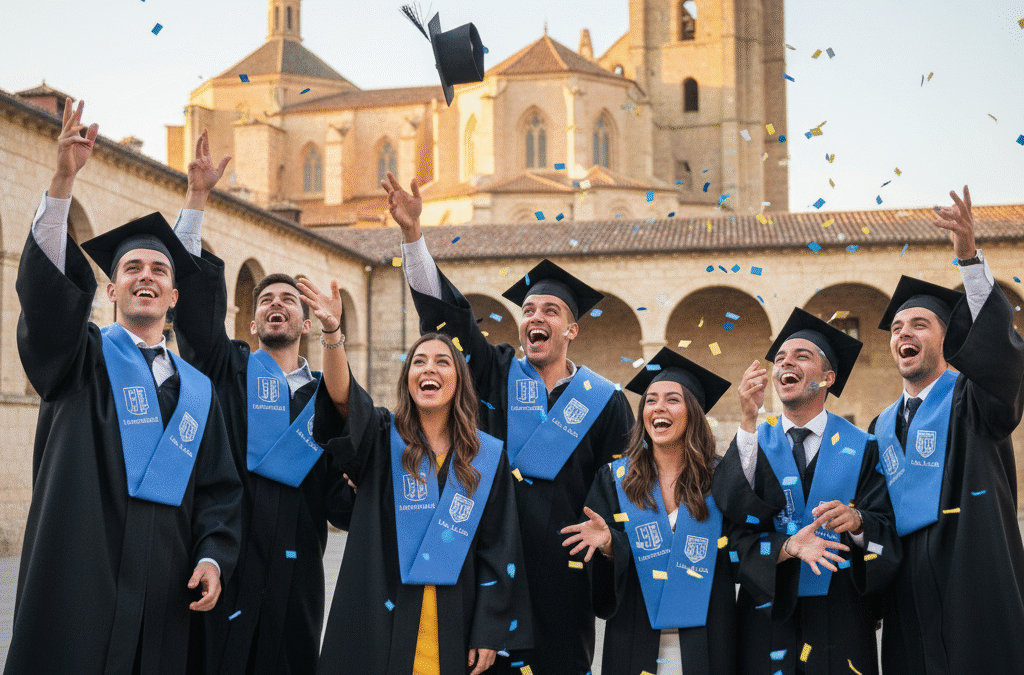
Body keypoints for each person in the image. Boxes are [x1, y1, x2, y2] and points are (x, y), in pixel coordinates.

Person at [4, 98, 242, 675]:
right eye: (132, 269)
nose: (146, 278)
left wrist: (212, 557)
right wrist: (63, 178)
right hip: (79, 576)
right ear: (110, 292)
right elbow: (47, 298)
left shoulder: (198, 393)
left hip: (163, 589)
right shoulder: (81, 358)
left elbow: (219, 491)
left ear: (174, 298)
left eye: (160, 272)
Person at [383, 172, 633, 675]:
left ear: (572, 329)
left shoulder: (605, 403)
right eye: (529, 309)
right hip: (491, 563)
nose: (535, 317)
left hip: (566, 574)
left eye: (551, 310)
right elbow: (448, 319)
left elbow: (625, 487)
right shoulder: (495, 371)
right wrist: (413, 236)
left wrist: (611, 542)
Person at [169, 131, 355, 675]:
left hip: (296, 567)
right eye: (266, 301)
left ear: (303, 321)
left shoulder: (328, 399)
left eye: (288, 302)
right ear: (251, 324)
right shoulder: (229, 368)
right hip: (224, 553)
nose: (277, 306)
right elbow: (197, 318)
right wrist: (197, 201)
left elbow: (338, 499)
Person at [303, 274, 530, 675]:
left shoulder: (486, 456)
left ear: (459, 380)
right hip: (383, 615)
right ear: (408, 379)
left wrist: (488, 630)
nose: (430, 368)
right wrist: (333, 333)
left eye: (443, 362)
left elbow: (500, 548)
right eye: (419, 362)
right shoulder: (380, 439)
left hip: (455, 625)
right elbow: (341, 400)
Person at [871, 186, 1024, 674]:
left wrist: (968, 261)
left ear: (948, 338)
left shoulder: (972, 398)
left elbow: (1002, 362)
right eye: (896, 328)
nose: (904, 335)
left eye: (919, 324)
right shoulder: (881, 426)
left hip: (974, 585)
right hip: (907, 600)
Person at [712, 308, 901, 675]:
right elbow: (734, 531)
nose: (786, 363)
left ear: (828, 378)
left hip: (842, 612)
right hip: (766, 615)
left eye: (802, 356)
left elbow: (888, 530)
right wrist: (786, 547)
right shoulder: (754, 441)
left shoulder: (864, 447)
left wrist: (858, 521)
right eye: (780, 358)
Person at [561, 347, 737, 675]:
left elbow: (743, 549)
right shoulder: (615, 480)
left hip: (707, 637)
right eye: (651, 400)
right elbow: (597, 574)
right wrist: (610, 544)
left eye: (672, 399)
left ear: (693, 412)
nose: (658, 407)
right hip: (635, 638)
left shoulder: (723, 477)